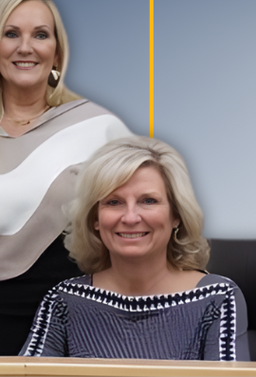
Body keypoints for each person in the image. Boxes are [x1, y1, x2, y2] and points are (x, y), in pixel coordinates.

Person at [0, 0, 131, 356]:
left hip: (79, 322)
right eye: (11, 34)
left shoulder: (99, 128)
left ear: (56, 52)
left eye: (40, 35)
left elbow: (132, 231)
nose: (25, 47)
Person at [22, 136, 249, 360]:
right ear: (95, 219)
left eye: (148, 201)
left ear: (176, 215)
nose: (130, 218)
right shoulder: (64, 300)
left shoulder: (217, 297)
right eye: (114, 202)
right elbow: (23, 374)